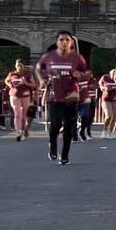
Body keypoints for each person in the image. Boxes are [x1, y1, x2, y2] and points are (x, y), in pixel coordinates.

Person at [39, 32, 90, 166]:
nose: (64, 42)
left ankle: (65, 155)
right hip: (54, 97)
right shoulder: (49, 57)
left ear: (71, 43)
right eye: (61, 40)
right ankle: (53, 145)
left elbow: (86, 74)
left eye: (67, 40)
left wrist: (79, 74)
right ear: (57, 42)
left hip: (71, 96)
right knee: (55, 125)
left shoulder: (78, 58)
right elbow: (39, 68)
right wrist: (42, 81)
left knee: (68, 127)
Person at [6, 60, 38, 141]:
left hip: (25, 96)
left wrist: (25, 83)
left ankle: (23, 130)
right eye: (18, 66)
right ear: (16, 66)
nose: (19, 68)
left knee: (24, 115)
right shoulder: (12, 74)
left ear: (23, 66)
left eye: (21, 66)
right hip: (14, 95)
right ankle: (18, 133)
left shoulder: (27, 74)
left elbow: (34, 85)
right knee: (17, 114)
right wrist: (10, 85)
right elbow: (6, 80)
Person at [99, 70, 116, 138]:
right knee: (108, 115)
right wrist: (104, 88)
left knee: (114, 116)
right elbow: (100, 84)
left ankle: (110, 133)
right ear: (110, 74)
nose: (114, 76)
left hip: (115, 99)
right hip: (106, 99)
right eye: (113, 74)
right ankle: (104, 130)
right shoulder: (105, 77)